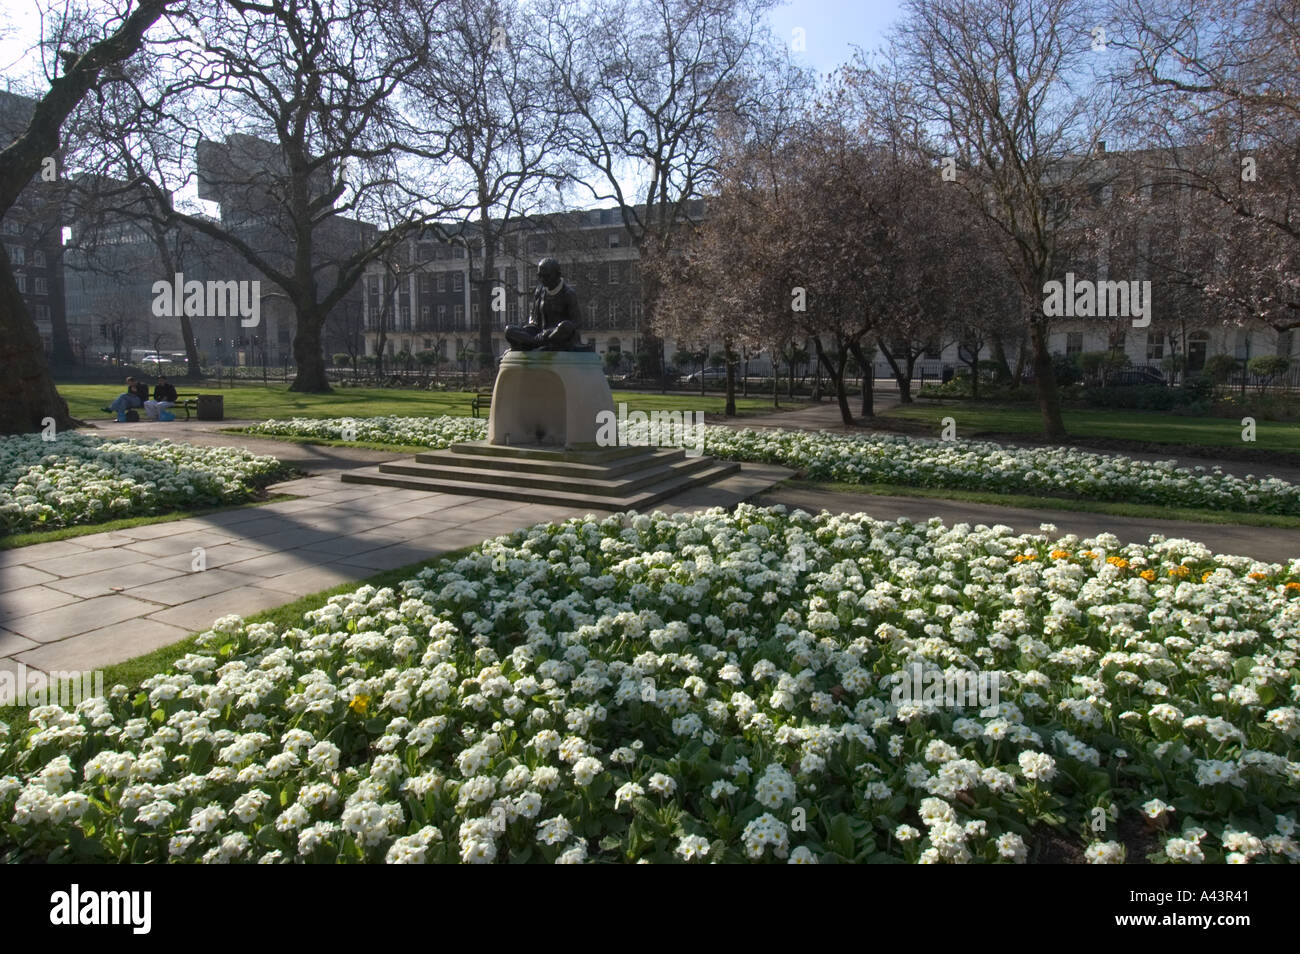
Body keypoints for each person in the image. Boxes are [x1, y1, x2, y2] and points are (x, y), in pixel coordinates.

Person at [504, 258, 583, 352]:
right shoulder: (539, 291)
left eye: (546, 276)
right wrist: (528, 328)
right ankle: (537, 343)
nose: (542, 279)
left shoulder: (568, 294)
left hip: (556, 334)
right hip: (539, 334)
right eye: (539, 276)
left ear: (557, 275)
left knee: (565, 326)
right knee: (509, 330)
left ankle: (531, 344)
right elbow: (533, 319)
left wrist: (554, 330)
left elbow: (577, 321)